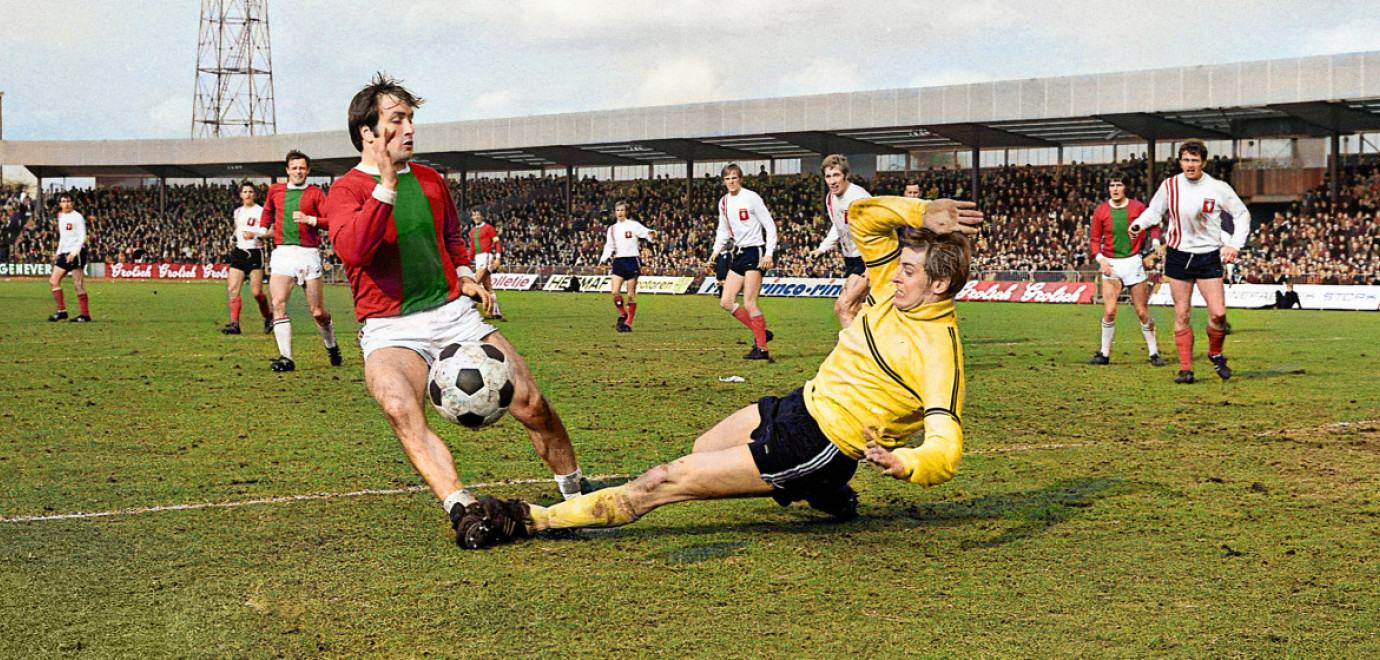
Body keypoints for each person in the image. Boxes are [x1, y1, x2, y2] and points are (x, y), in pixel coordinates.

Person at [464, 196, 985, 548]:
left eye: (908, 271)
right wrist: (921, 211)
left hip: (822, 442)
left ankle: (529, 518)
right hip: (799, 404)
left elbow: (946, 446)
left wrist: (908, 464)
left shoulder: (939, 350)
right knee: (700, 449)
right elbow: (860, 220)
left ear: (938, 287)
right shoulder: (900, 286)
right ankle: (825, 491)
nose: (892, 275)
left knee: (663, 481)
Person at [322, 73, 590, 549]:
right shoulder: (345, 190)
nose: (409, 129)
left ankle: (577, 495)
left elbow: (449, 238)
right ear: (368, 133)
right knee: (399, 406)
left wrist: (465, 273)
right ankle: (463, 509)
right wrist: (384, 185)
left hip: (453, 315)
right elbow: (353, 250)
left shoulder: (430, 181)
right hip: (389, 327)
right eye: (396, 120)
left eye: (410, 119)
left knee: (531, 403)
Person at [1130, 140, 1249, 384]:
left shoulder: (1218, 187)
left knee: (1218, 314)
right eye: (1186, 159)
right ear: (1180, 161)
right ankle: (1186, 369)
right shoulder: (1170, 185)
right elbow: (1154, 211)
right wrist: (1138, 224)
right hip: (1178, 255)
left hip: (1208, 256)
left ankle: (1215, 353)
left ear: (1203, 162)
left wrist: (1234, 245)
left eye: (1195, 160)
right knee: (1181, 313)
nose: (1190, 164)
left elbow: (1242, 214)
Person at [261, 150, 341, 372]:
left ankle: (331, 344)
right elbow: (267, 210)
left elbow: (330, 221)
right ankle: (286, 357)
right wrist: (261, 228)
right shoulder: (275, 190)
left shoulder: (315, 193)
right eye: (294, 168)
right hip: (282, 254)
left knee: (317, 312)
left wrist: (310, 219)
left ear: (308, 170)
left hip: (308, 254)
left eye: (302, 168)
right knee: (278, 304)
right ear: (287, 170)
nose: (298, 171)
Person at [1086, 171, 1166, 367]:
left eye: (1118, 185)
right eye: (1112, 185)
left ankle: (1154, 353)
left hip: (1133, 263)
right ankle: (1104, 354)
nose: (1115, 189)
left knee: (1142, 312)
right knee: (1110, 310)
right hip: (1111, 264)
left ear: (1125, 187)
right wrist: (1100, 259)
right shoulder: (1101, 211)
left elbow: (1154, 222)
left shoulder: (1138, 207)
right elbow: (1095, 240)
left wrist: (1155, 242)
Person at [708, 164, 778, 361]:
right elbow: (723, 230)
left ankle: (762, 349)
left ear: (740, 179)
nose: (731, 182)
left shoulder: (752, 197)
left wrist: (769, 253)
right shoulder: (723, 203)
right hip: (738, 253)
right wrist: (716, 250)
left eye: (734, 178)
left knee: (749, 302)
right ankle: (762, 332)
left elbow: (770, 225)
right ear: (723, 181)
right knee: (726, 301)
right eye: (727, 179)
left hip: (755, 251)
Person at [809, 154, 872, 327]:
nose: (832, 181)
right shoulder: (830, 198)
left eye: (836, 175)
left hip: (866, 259)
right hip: (850, 258)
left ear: (846, 175)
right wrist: (822, 249)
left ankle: (856, 352)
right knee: (858, 309)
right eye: (828, 176)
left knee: (843, 308)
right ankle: (870, 348)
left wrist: (870, 265)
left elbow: (875, 233)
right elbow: (838, 227)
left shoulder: (859, 199)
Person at [221, 181, 274, 335]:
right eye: (245, 191)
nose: (248, 194)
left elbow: (268, 231)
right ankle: (235, 324)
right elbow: (237, 229)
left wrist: (255, 234)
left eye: (251, 191)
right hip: (239, 252)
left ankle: (268, 317)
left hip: (255, 253)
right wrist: (233, 238)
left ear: (255, 194)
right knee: (232, 289)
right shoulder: (237, 212)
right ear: (241, 194)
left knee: (256, 292)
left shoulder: (261, 211)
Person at [598, 200, 655, 332]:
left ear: (627, 212)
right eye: (618, 210)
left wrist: (651, 235)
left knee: (630, 295)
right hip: (618, 261)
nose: (620, 213)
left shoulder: (633, 225)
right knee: (615, 291)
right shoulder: (612, 229)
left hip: (632, 261)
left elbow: (646, 233)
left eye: (622, 210)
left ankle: (628, 322)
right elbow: (609, 245)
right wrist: (603, 258)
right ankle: (623, 315)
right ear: (615, 212)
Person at [46, 193, 91, 322]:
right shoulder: (61, 216)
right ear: (60, 204)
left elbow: (82, 236)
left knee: (78, 284)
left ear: (73, 203)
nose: (67, 203)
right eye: (64, 201)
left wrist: (74, 252)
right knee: (53, 281)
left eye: (69, 201)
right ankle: (62, 312)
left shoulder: (77, 217)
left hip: (76, 253)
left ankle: (85, 315)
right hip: (64, 253)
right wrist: (58, 252)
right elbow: (63, 237)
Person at [469, 209, 504, 321]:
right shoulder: (473, 231)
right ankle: (496, 312)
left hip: (486, 256)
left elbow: (497, 242)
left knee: (474, 283)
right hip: (478, 257)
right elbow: (472, 247)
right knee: (487, 286)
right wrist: (468, 261)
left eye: (478, 214)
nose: (476, 216)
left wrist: (498, 258)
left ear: (482, 216)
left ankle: (470, 312)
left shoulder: (489, 228)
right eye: (474, 215)